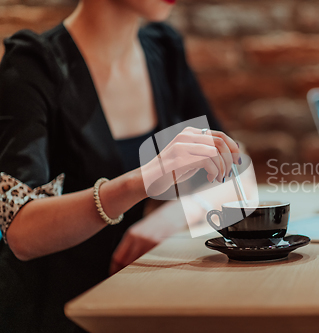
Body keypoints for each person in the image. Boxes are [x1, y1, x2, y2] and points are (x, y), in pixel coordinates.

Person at [0, 0, 241, 331]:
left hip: (137, 299)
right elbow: (22, 233)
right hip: (55, 311)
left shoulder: (163, 48)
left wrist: (170, 217)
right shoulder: (34, 64)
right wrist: (140, 182)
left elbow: (233, 166)